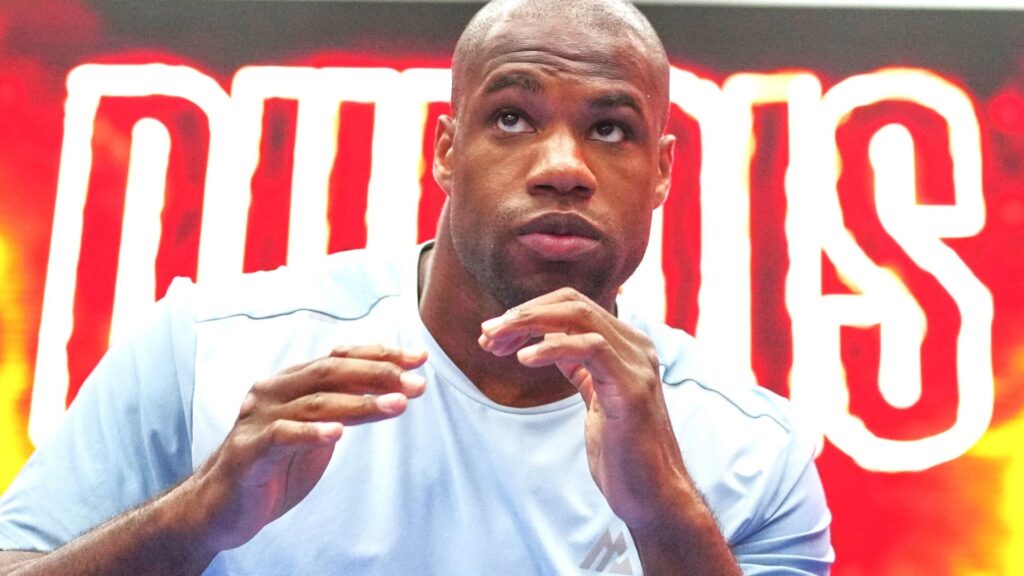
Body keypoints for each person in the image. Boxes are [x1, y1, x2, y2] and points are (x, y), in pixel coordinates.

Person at [0, 0, 833, 574]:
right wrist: (198, 514)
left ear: (662, 172)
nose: (562, 167)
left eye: (610, 128)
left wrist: (667, 515)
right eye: (512, 117)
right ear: (445, 150)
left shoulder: (754, 453)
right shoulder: (209, 350)